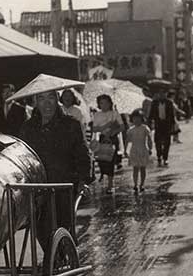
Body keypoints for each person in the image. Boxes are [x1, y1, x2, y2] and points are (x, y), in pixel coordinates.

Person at [19, 90, 93, 250]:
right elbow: (22, 157)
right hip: (38, 188)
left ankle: (66, 258)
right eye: (41, 99)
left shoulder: (71, 124)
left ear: (57, 99)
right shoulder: (28, 128)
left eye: (51, 98)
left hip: (64, 186)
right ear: (35, 102)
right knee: (43, 232)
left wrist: (83, 180)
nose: (47, 103)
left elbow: (82, 154)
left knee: (64, 229)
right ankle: (54, 261)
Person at [91, 94, 124, 194]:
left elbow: (122, 127)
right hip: (102, 138)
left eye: (106, 103)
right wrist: (105, 126)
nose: (104, 105)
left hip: (113, 138)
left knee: (110, 161)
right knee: (102, 159)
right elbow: (94, 128)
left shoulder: (115, 113)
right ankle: (102, 174)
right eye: (101, 103)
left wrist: (113, 131)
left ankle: (110, 184)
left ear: (110, 103)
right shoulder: (97, 115)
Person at [125, 109, 152, 193]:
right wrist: (126, 150)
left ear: (142, 118)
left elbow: (149, 139)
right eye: (134, 118)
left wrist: (150, 148)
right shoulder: (131, 130)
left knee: (143, 168)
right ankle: (135, 184)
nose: (136, 120)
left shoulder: (145, 128)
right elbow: (127, 140)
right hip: (134, 150)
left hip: (143, 149)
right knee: (135, 168)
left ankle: (142, 184)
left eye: (138, 118)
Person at [148, 88, 176, 167]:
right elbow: (151, 113)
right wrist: (149, 122)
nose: (162, 95)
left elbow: (172, 115)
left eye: (163, 94)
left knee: (167, 142)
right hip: (158, 124)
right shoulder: (154, 103)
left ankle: (165, 158)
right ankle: (159, 156)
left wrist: (173, 125)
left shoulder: (169, 103)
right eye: (160, 94)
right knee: (158, 141)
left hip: (167, 124)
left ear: (166, 94)